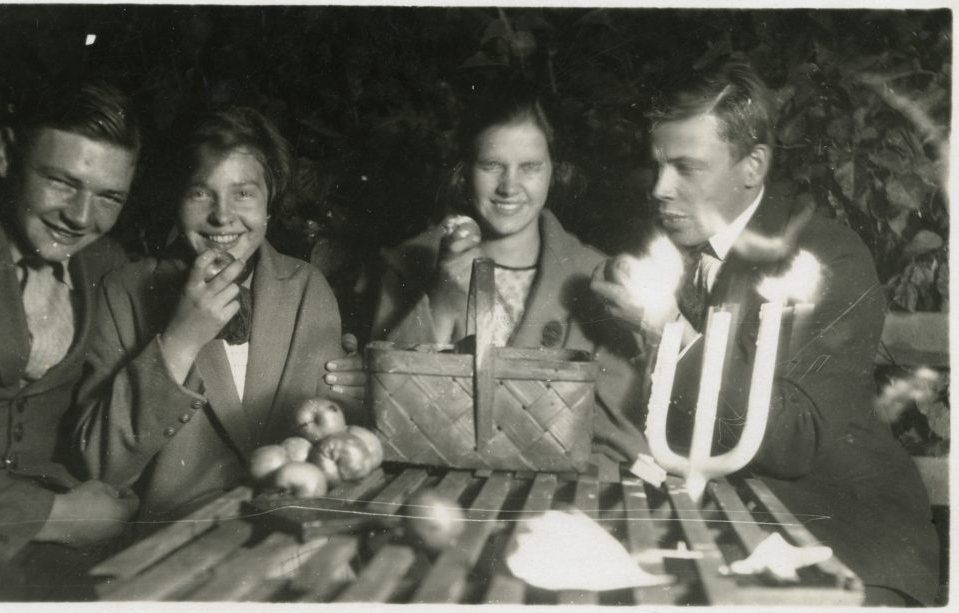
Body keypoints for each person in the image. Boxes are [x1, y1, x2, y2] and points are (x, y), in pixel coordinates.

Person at [590, 58, 939, 606]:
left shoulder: (825, 257)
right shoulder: (672, 247)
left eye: (686, 167)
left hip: (842, 536)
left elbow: (795, 439)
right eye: (656, 165)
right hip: (719, 522)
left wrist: (665, 329)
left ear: (752, 166)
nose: (660, 188)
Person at [74, 107, 356, 525]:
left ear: (269, 204)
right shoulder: (124, 291)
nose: (222, 215)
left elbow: (335, 443)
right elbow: (100, 466)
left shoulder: (306, 288)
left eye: (243, 193)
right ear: (175, 199)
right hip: (170, 542)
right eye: (200, 193)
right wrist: (180, 341)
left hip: (292, 527)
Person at [367, 84, 647, 473]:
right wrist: (442, 302)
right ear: (464, 171)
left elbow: (618, 440)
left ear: (555, 170)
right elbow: (387, 415)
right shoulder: (410, 264)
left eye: (530, 167)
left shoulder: (595, 278)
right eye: (492, 165)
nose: (509, 186)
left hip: (558, 495)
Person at [0, 80, 142, 601]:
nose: (80, 217)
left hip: (40, 559)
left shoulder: (106, 265)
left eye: (108, 197)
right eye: (61, 181)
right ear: (7, 153)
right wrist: (50, 515)